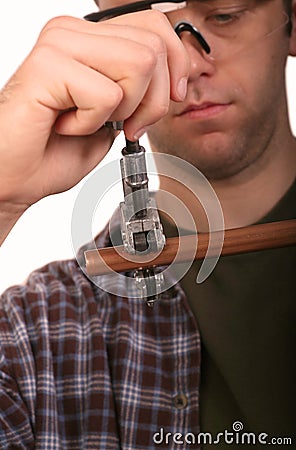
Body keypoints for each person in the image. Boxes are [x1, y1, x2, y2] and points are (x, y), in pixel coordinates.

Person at [0, 0, 295, 448]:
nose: (190, 64)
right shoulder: (39, 335)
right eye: (150, 26)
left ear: (291, 21)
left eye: (225, 14)